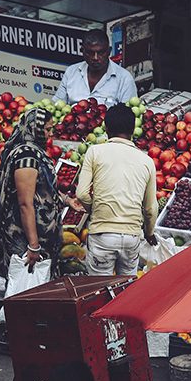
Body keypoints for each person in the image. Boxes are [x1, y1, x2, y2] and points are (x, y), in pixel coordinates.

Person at [0, 106, 83, 277]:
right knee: (26, 290)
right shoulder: (26, 157)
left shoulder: (34, 152)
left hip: (41, 239)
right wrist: (33, 245)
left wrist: (67, 200)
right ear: (34, 128)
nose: (50, 134)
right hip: (26, 241)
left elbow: (43, 190)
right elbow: (26, 204)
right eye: (47, 129)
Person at [76, 102, 158, 276]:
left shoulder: (94, 152)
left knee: (99, 290)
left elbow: (82, 193)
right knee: (126, 292)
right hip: (132, 237)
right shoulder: (147, 161)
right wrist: (149, 232)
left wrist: (97, 210)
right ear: (132, 129)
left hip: (102, 235)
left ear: (106, 128)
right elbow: (150, 208)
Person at [54, 31, 136, 108]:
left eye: (101, 53)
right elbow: (58, 105)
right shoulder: (71, 72)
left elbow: (127, 116)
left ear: (109, 51)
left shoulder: (124, 79)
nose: (95, 58)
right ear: (83, 51)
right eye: (90, 53)